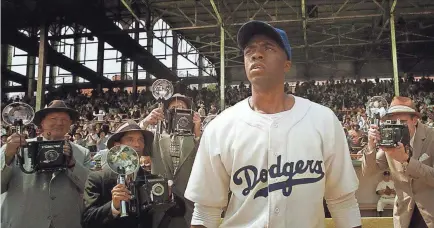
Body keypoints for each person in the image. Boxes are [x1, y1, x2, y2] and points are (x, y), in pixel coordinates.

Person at [184, 20, 362, 228]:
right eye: (249, 49)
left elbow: (342, 201)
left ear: (287, 64)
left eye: (268, 48)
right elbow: (206, 211)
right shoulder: (221, 126)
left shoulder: (323, 120)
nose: (256, 54)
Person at [1, 100, 92, 228]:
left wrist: (72, 164)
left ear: (71, 123)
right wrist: (8, 156)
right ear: (42, 123)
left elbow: (89, 189)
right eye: (53, 118)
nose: (59, 123)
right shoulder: (16, 147)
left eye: (64, 119)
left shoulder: (82, 153)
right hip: (23, 221)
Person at [362, 96, 434, 228]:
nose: (398, 126)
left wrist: (406, 160)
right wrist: (371, 146)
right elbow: (369, 172)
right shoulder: (389, 139)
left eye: (403, 121)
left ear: (415, 120)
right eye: (393, 122)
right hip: (404, 215)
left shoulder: (432, 137)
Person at [139, 93, 202, 228]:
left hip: (189, 207)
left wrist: (197, 133)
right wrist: (145, 121)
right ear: (166, 112)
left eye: (181, 107)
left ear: (190, 113)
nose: (177, 111)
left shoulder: (197, 137)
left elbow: (206, 161)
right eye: (173, 107)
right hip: (160, 206)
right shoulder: (155, 136)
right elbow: (130, 146)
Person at [81, 120, 154, 228]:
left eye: (141, 140)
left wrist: (168, 197)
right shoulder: (97, 178)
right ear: (117, 145)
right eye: (130, 139)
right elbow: (87, 220)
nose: (137, 144)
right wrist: (113, 207)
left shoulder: (150, 179)